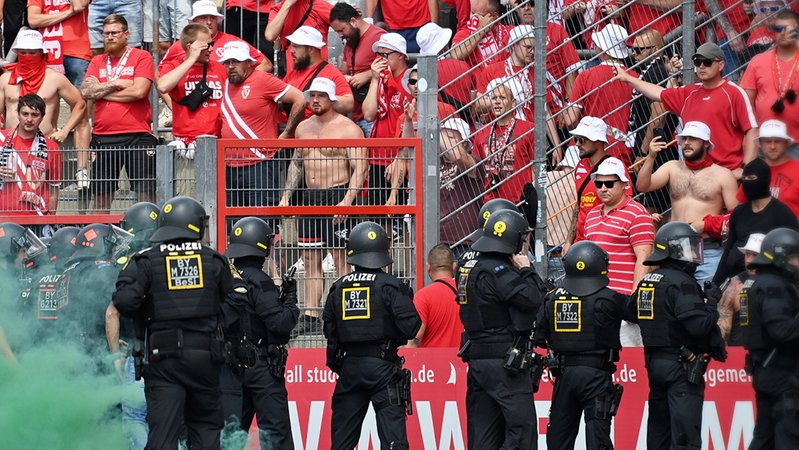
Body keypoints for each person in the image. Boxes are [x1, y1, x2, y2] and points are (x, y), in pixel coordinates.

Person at [112, 196, 235, 450]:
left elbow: (124, 302)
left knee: (163, 435)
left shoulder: (145, 260)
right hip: (205, 357)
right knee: (206, 431)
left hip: (163, 359)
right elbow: (232, 304)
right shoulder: (214, 260)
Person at [627, 221, 727, 450]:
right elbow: (699, 327)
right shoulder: (682, 283)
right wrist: (711, 302)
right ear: (673, 250)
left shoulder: (647, 283)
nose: (693, 254)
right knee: (684, 438)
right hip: (681, 367)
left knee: (659, 436)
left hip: (655, 364)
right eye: (688, 247)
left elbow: (632, 311)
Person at [279, 77, 367, 336]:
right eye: (312, 95)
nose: (315, 99)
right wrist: (287, 196)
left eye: (321, 95)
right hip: (310, 197)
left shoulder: (348, 128)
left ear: (332, 98)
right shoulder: (303, 128)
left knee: (340, 256)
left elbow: (360, 167)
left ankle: (342, 312)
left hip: (337, 193)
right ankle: (311, 314)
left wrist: (347, 201)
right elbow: (297, 163)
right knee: (310, 257)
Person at [322, 221, 421, 450]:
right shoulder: (390, 286)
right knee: (393, 441)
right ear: (383, 251)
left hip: (349, 369)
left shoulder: (338, 287)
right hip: (382, 368)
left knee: (342, 443)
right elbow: (412, 328)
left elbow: (330, 331)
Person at [457, 208, 544, 449]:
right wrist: (527, 269)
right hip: (505, 363)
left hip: (478, 360)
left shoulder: (466, 266)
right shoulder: (498, 271)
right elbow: (533, 298)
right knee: (521, 432)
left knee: (482, 433)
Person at [614, 42, 758, 178]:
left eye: (707, 62)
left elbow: (751, 130)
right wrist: (627, 78)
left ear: (721, 65)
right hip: (695, 174)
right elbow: (658, 93)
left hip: (727, 172)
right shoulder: (689, 93)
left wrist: (747, 168)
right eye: (697, 62)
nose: (701, 66)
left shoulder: (734, 92)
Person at [534, 241, 627, 450]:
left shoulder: (552, 299)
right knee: (598, 440)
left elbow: (539, 336)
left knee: (559, 439)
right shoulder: (610, 298)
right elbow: (640, 315)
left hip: (564, 376)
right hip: (596, 375)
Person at [223, 216, 299, 449]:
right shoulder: (260, 281)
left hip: (230, 366)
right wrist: (290, 300)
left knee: (231, 434)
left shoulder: (224, 278)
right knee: (276, 435)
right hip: (261, 367)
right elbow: (280, 324)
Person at [636, 121, 739, 282]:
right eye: (684, 139)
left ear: (706, 143)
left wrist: (706, 224)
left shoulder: (723, 175)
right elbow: (642, 186)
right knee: (673, 297)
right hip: (674, 246)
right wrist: (651, 157)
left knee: (707, 299)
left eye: (693, 139)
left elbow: (736, 218)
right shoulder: (672, 167)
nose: (687, 143)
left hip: (707, 247)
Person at [81, 14, 157, 213]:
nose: (110, 37)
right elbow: (86, 92)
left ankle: (147, 236)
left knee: (145, 195)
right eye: (106, 33)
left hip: (138, 135)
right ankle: (98, 240)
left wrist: (102, 93)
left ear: (126, 34)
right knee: (101, 197)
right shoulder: (97, 60)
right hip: (103, 137)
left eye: (114, 33)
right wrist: (115, 84)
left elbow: (139, 92)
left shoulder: (142, 56)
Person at [219, 40, 306, 208]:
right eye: (227, 62)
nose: (230, 66)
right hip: (230, 165)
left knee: (263, 221)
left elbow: (300, 98)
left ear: (249, 63)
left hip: (259, 163)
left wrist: (287, 132)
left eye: (236, 61)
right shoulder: (227, 84)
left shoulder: (263, 80)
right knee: (233, 224)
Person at [741, 227, 799, 449]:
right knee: (788, 437)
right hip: (782, 374)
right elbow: (782, 330)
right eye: (795, 256)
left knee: (764, 438)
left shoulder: (757, 282)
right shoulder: (774, 285)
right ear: (782, 255)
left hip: (765, 368)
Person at [156, 23, 227, 197]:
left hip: (215, 145)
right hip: (186, 149)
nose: (211, 49)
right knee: (186, 200)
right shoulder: (173, 65)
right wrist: (191, 60)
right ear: (191, 46)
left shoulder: (218, 68)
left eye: (212, 43)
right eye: (206, 45)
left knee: (215, 200)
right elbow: (163, 85)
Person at [713, 158, 799, 284]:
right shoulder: (739, 212)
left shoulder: (782, 214)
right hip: (734, 281)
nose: (747, 183)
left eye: (751, 178)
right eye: (744, 179)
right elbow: (728, 250)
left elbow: (793, 256)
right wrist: (715, 285)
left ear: (764, 180)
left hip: (768, 283)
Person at [563, 24, 637, 167]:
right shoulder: (636, 78)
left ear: (603, 48)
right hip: (620, 151)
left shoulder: (586, 76)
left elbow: (570, 119)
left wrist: (566, 104)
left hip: (586, 147)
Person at [0, 30, 88, 148]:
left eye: (32, 53)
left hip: (45, 144)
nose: (27, 56)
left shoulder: (55, 78)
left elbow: (80, 104)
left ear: (41, 53)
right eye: (23, 52)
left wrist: (65, 130)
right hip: (12, 145)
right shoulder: (5, 79)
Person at [563, 116, 632, 255]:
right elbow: (579, 204)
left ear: (598, 140)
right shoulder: (580, 165)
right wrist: (569, 241)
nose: (577, 144)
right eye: (576, 139)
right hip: (580, 243)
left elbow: (625, 206)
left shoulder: (616, 167)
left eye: (582, 139)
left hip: (603, 244)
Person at [362, 32, 412, 206]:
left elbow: (410, 123)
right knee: (379, 216)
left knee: (400, 214)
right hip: (377, 157)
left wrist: (399, 159)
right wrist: (374, 80)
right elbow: (368, 114)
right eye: (378, 55)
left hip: (399, 159)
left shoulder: (410, 80)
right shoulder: (381, 80)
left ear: (400, 55)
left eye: (385, 55)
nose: (381, 59)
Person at [161, 0, 272, 73]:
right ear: (194, 21)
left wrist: (239, 83)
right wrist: (172, 103)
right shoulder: (180, 45)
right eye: (204, 17)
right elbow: (159, 74)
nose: (209, 22)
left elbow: (266, 65)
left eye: (213, 18)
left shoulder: (233, 41)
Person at [740, 10, 799, 145]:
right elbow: (746, 104)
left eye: (789, 29)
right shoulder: (757, 61)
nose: (783, 33)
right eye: (779, 29)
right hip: (765, 142)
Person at [472, 78, 536, 203]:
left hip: (520, 202)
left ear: (513, 103)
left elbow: (536, 167)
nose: (497, 102)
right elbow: (477, 171)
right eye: (494, 98)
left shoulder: (529, 129)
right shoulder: (481, 133)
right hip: (490, 203)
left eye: (502, 97)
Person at [329, 2, 386, 137]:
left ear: (354, 21)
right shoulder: (350, 42)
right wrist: (344, 77)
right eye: (337, 32)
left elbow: (394, 65)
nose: (340, 36)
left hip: (377, 115)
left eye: (341, 30)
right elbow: (343, 71)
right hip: (356, 115)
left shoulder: (379, 37)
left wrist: (366, 75)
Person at [0, 94, 62, 216]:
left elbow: (54, 188)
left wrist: (50, 217)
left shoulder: (52, 147)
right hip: (3, 216)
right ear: (18, 114)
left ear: (42, 117)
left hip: (36, 216)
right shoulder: (1, 138)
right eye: (25, 114)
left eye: (35, 115)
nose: (29, 119)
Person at [283, 26, 354, 120]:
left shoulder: (331, 73)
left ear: (311, 49)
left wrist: (323, 98)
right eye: (292, 46)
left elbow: (349, 103)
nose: (291, 51)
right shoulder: (293, 74)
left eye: (296, 46)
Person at [407, 244, 463, 348]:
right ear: (454, 266)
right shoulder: (466, 292)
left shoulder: (423, 296)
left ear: (428, 267)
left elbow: (416, 338)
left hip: (431, 361)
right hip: (463, 361)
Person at [26, 0, 91, 87]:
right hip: (49, 52)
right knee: (49, 96)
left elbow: (77, 6)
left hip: (77, 52)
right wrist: (69, 13)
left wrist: (70, 11)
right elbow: (33, 21)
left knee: (80, 96)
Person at [717, 233, 764, 346]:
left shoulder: (782, 283)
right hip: (738, 355)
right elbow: (723, 327)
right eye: (747, 255)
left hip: (772, 357)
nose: (749, 260)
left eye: (755, 255)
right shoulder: (734, 285)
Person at [265, 0, 333, 75]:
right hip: (293, 72)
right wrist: (287, 4)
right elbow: (270, 35)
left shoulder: (319, 5)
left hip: (318, 71)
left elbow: (344, 24)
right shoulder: (279, 9)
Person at [748, 119, 799, 215]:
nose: (772, 146)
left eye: (777, 141)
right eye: (767, 142)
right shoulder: (753, 170)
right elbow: (740, 208)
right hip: (758, 228)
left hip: (792, 228)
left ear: (786, 143)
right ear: (760, 144)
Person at [449, 0, 511, 67]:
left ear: (494, 16)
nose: (474, 18)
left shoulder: (508, 31)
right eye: (472, 13)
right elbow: (455, 54)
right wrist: (480, 31)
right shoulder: (464, 33)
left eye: (479, 15)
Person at [365, 0, 433, 54]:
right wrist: (369, 20)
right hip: (394, 26)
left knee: (425, 64)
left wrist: (434, 25)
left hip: (422, 24)